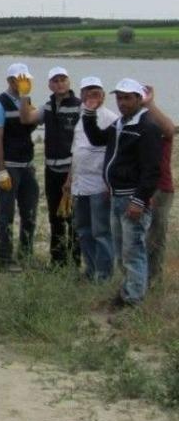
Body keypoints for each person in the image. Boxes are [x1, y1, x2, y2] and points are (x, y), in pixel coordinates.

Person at [82, 78, 163, 308]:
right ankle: (128, 292)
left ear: (139, 98)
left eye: (127, 98)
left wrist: (139, 200)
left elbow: (152, 170)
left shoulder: (147, 128)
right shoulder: (120, 124)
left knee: (133, 250)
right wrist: (89, 112)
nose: (122, 103)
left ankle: (133, 300)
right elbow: (97, 138)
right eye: (119, 98)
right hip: (117, 196)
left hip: (132, 198)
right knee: (121, 250)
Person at [18, 66, 82, 265]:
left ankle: (75, 261)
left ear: (69, 82)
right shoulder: (48, 106)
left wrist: (73, 174)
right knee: (55, 216)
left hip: (71, 170)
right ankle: (57, 261)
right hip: (51, 170)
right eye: (55, 80)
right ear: (50, 85)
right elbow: (26, 118)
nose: (60, 83)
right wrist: (24, 95)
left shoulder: (79, 106)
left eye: (63, 79)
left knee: (73, 218)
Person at [0, 64, 40, 269]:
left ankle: (26, 254)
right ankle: (4, 258)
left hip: (26, 164)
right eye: (21, 80)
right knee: (6, 213)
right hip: (8, 164)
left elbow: (28, 126)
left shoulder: (25, 101)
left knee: (30, 212)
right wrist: (1, 170)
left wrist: (26, 98)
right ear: (11, 81)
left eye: (27, 80)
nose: (25, 83)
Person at [67, 77, 117, 281]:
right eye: (87, 92)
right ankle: (90, 270)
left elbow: (114, 154)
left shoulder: (111, 118)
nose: (91, 96)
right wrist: (69, 179)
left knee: (101, 232)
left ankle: (104, 275)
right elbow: (76, 151)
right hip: (80, 185)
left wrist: (110, 183)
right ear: (81, 95)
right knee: (83, 230)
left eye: (96, 92)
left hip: (99, 185)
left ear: (103, 95)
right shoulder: (81, 117)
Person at [142, 85, 175, 284]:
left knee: (155, 236)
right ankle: (142, 279)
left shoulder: (158, 126)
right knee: (142, 236)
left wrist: (150, 104)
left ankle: (153, 280)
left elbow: (169, 129)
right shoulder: (132, 124)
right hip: (140, 188)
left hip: (161, 188)